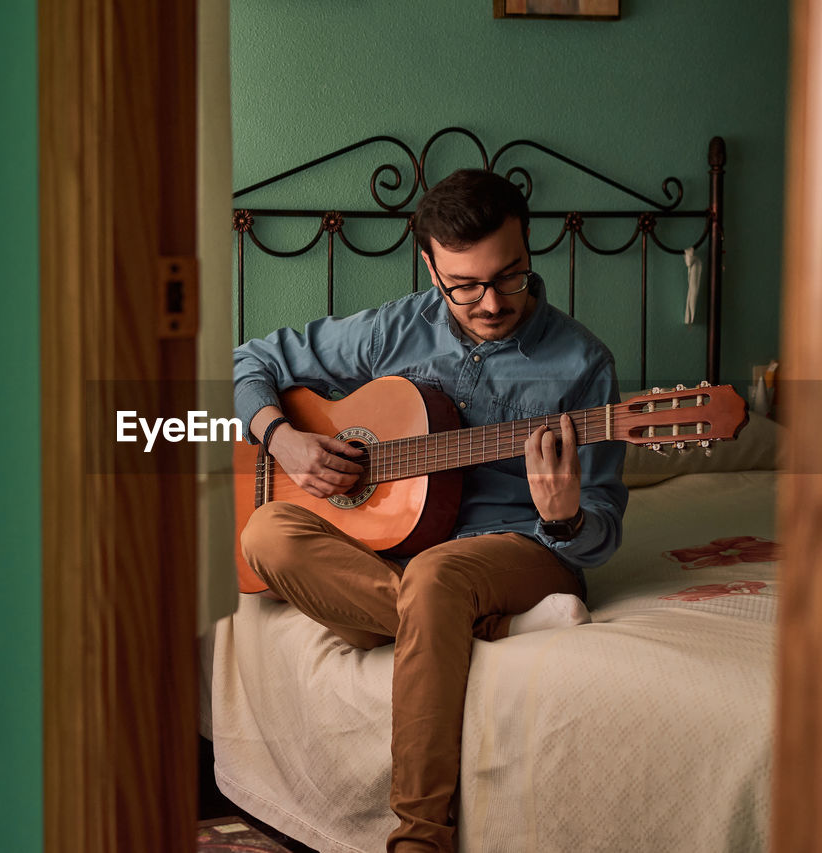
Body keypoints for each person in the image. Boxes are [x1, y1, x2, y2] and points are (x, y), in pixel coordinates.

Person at [232, 168, 627, 853]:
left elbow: (600, 534)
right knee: (265, 532)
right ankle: (496, 630)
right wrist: (283, 437)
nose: (492, 301)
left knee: (436, 577)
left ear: (529, 249)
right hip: (398, 549)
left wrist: (566, 518)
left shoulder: (583, 363)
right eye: (464, 285)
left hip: (515, 546)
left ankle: (419, 838)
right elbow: (248, 359)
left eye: (509, 276)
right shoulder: (396, 328)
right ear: (430, 266)